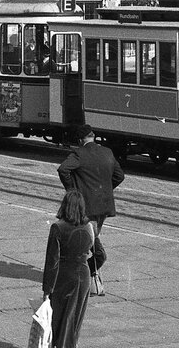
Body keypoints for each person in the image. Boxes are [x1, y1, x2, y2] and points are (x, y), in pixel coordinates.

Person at [57, 125, 121, 295]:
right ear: (93, 137)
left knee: (91, 244)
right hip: (104, 206)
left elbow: (63, 169)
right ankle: (91, 277)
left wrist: (73, 191)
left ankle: (87, 277)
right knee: (92, 238)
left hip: (87, 206)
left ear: (80, 140)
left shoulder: (79, 154)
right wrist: (105, 190)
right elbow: (119, 176)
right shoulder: (107, 152)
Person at [42, 190, 95, 348]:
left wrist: (47, 290)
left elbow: (52, 262)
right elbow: (100, 254)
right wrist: (86, 265)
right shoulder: (89, 227)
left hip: (63, 277)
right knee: (74, 322)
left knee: (58, 320)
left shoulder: (58, 228)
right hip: (83, 278)